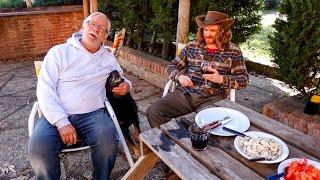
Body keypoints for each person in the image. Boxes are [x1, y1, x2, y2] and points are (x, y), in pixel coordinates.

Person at [28, 12, 131, 180]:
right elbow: (44, 89)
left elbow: (122, 77)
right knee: (39, 149)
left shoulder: (108, 58)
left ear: (105, 37)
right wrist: (62, 122)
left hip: (94, 114)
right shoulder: (59, 52)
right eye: (92, 24)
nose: (95, 29)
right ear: (83, 26)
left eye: (101, 28)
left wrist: (127, 86)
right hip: (56, 115)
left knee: (108, 144)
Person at [147, 11, 249, 128]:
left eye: (213, 31)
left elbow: (244, 80)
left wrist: (221, 79)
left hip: (212, 98)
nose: (207, 34)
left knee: (203, 127)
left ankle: (190, 143)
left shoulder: (233, 51)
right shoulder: (192, 47)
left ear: (223, 31)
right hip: (185, 94)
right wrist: (179, 77)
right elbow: (172, 66)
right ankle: (169, 142)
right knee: (153, 111)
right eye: (205, 30)